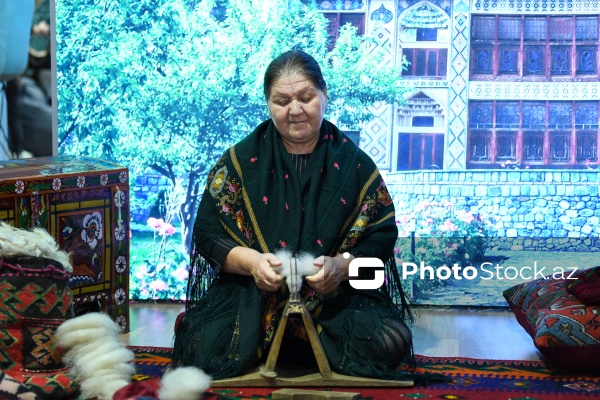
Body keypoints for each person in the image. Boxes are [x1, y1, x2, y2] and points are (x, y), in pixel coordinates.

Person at [172, 49, 415, 381]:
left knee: (391, 342)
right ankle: (286, 347)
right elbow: (209, 235)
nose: (295, 110)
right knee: (198, 342)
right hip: (252, 300)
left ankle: (293, 347)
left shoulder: (354, 164)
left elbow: (381, 239)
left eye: (306, 97)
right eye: (281, 101)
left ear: (324, 94)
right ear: (268, 104)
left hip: (336, 301)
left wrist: (342, 268)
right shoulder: (240, 162)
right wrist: (253, 264)